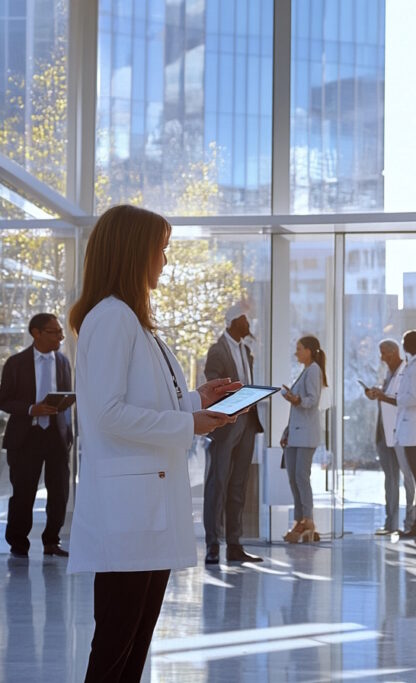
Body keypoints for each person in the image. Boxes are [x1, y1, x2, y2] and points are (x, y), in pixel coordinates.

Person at [66, 204, 240, 682]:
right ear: (133, 252)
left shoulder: (137, 323)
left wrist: (193, 402)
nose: (165, 261)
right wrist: (189, 425)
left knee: (133, 646)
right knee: (115, 649)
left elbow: (143, 404)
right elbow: (105, 414)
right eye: (160, 250)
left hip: (146, 510)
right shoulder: (111, 319)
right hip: (128, 514)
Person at [0, 312, 74, 558]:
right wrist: (32, 408)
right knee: (23, 492)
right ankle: (18, 544)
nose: (60, 337)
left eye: (61, 332)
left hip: (56, 435)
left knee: (60, 491)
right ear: (36, 333)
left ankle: (52, 541)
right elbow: (5, 400)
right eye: (54, 332)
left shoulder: (63, 362)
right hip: (25, 437)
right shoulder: (16, 363)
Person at [202, 304, 265, 565]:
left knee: (239, 485)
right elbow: (213, 386)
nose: (248, 323)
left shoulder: (246, 350)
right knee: (218, 485)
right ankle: (213, 545)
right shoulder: (218, 350)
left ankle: (235, 545)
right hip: (227, 424)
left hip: (248, 422)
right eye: (243, 319)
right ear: (232, 322)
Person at [368, 329, 416, 539]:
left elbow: (411, 398)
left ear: (407, 345)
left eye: (404, 342)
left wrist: (388, 398)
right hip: (411, 432)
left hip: (415, 433)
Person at [364, 338, 416, 535]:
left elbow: (403, 401)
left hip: (400, 433)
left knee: (407, 478)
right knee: (390, 479)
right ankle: (390, 523)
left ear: (393, 353)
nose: (381, 357)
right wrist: (376, 394)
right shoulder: (389, 373)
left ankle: (410, 523)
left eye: (383, 352)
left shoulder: (406, 372)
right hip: (384, 432)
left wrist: (381, 396)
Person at [279, 335, 327, 543]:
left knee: (301, 477)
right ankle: (300, 519)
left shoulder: (314, 370)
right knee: (294, 478)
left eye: (299, 349)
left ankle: (307, 520)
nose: (296, 352)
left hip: (306, 433)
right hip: (296, 432)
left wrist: (295, 399)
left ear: (308, 350)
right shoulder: (306, 371)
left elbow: (312, 401)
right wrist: (287, 431)